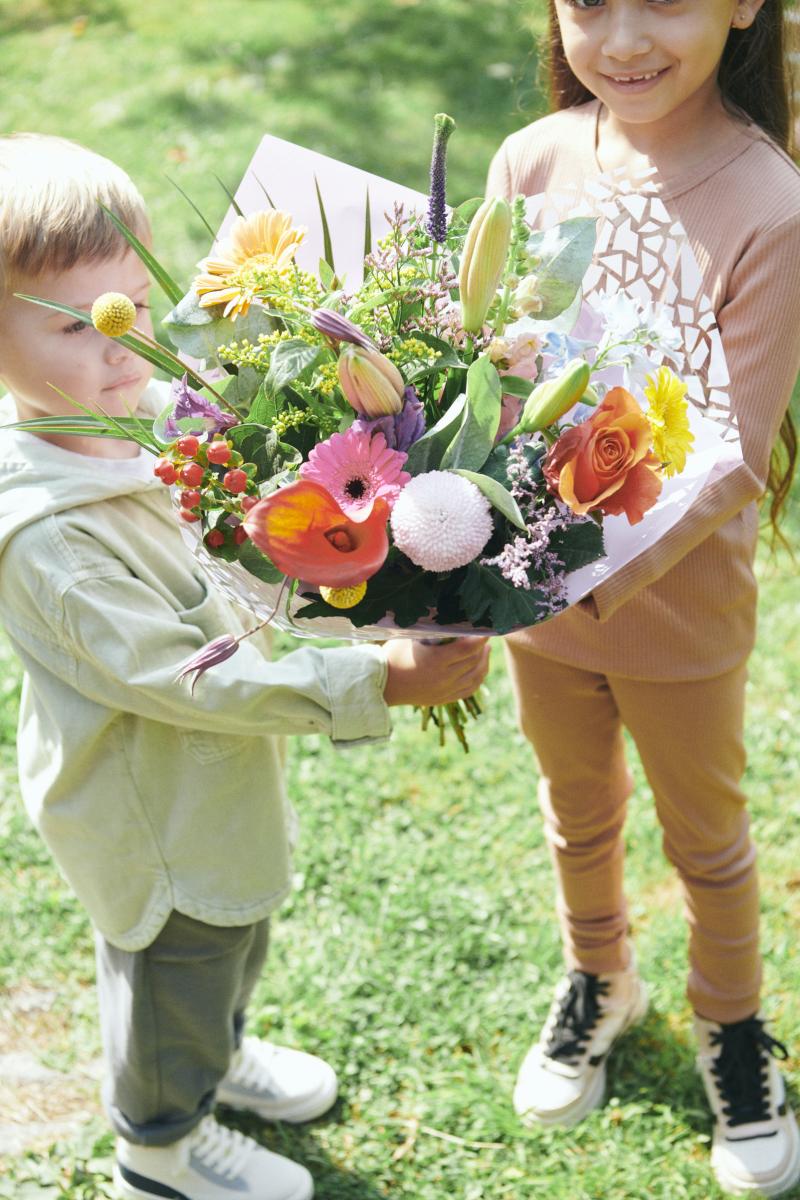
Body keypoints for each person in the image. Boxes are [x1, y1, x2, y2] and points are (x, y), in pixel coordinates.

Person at [0, 133, 490, 1200]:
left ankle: (217, 1055)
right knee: (178, 961)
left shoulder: (127, 425)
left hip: (208, 792)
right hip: (151, 815)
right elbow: (187, 675)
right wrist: (379, 679)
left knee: (232, 938)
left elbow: (220, 560)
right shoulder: (47, 537)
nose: (119, 344)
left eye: (128, 301)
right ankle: (161, 1147)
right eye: (72, 323)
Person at [486, 2, 800, 1196]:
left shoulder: (765, 202)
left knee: (704, 839)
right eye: (586, 1)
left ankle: (728, 1026)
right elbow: (483, 357)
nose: (619, 38)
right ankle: (597, 977)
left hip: (672, 613)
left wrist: (581, 571)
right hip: (528, 598)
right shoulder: (532, 159)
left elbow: (730, 455)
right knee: (573, 808)